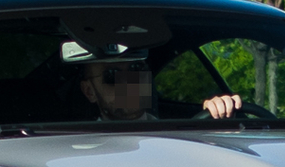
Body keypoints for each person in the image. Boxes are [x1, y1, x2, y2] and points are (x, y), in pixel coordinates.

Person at [75, 51, 242, 122]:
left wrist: (218, 114)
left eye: (136, 69)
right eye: (111, 75)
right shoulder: (83, 151)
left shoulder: (176, 133)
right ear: (89, 91)